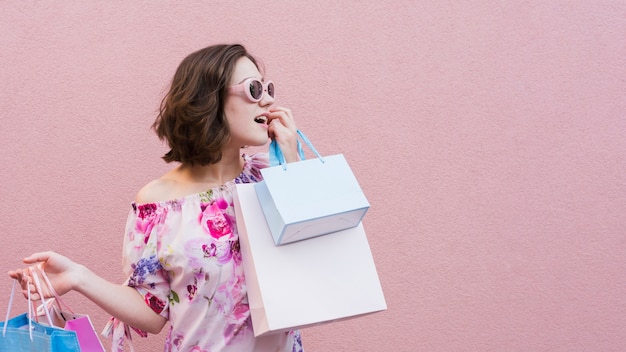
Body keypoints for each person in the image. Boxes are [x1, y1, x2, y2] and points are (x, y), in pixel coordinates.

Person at [8, 44, 304, 352]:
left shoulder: (275, 174)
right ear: (209, 100)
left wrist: (293, 164)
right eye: (254, 89)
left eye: (268, 88)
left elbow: (311, 258)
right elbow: (152, 312)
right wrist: (78, 276)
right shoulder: (158, 205)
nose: (268, 100)